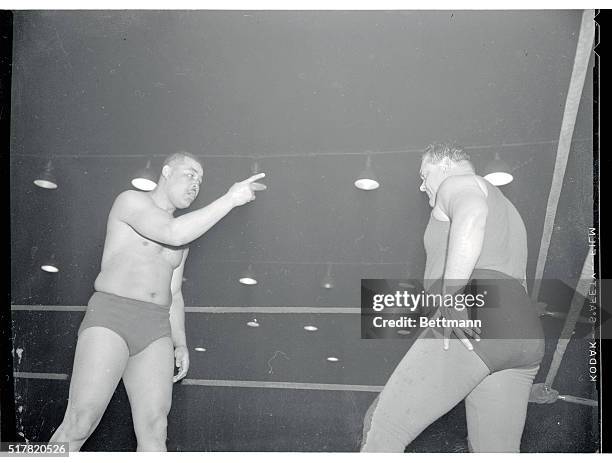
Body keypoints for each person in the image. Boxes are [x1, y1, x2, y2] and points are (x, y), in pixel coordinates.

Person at [49, 151, 266, 451]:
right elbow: (170, 233)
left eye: (200, 181)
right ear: (165, 171)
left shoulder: (185, 234)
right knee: (81, 420)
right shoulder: (131, 201)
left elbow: (174, 292)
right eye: (190, 174)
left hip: (155, 328)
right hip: (112, 316)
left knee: (154, 429)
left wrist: (180, 342)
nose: (195, 184)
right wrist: (229, 199)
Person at [361, 143, 545, 452]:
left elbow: (472, 215)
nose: (421, 186)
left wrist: (451, 295)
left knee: (382, 428)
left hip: (476, 313)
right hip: (522, 334)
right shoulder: (507, 210)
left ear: (445, 163)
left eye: (424, 175)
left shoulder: (457, 183)